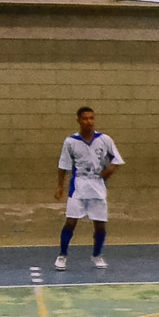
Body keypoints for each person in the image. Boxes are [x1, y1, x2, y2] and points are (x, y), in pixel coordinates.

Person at [54, 106, 123, 270]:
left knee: (100, 225)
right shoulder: (70, 141)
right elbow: (63, 166)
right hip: (78, 187)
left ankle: (97, 255)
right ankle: (62, 255)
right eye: (85, 118)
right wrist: (60, 187)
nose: (89, 122)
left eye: (91, 118)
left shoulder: (104, 139)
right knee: (71, 222)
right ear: (78, 120)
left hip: (97, 187)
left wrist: (110, 171)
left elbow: (116, 159)